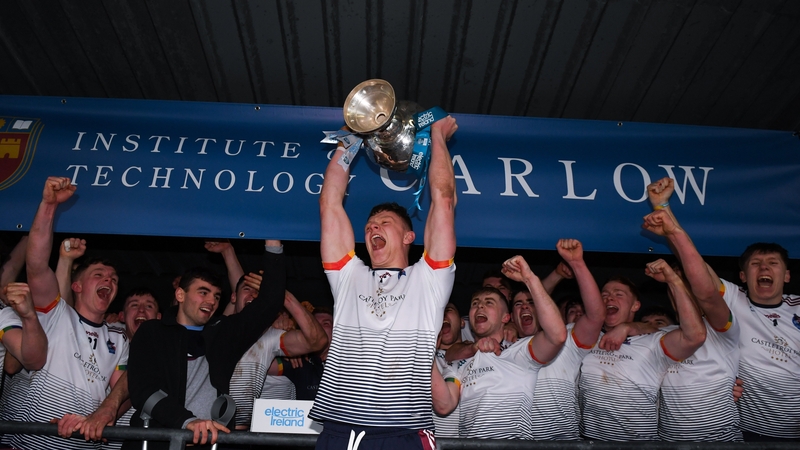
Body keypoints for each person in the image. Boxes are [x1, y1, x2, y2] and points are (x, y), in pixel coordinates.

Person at [310, 116, 458, 449]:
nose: (372, 227)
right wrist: (349, 142)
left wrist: (437, 138)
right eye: (369, 225)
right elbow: (329, 204)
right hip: (338, 432)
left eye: (384, 222)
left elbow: (444, 201)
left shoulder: (429, 278)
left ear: (408, 236)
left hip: (402, 433)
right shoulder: (348, 276)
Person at [642, 177, 784, 440]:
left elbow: (704, 293)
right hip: (750, 425)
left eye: (772, 263)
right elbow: (697, 272)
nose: (764, 268)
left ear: (787, 275)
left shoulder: (724, 329)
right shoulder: (734, 298)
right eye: (756, 264)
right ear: (742, 275)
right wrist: (663, 208)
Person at [3, 177, 129, 450]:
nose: (109, 280)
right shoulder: (56, 313)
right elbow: (36, 265)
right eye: (99, 275)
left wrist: (102, 417)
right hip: (35, 443)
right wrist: (49, 206)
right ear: (77, 285)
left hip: (84, 445)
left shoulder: (119, 339)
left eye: (114, 279)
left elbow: (124, 389)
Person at [123, 242, 287, 449]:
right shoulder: (153, 332)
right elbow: (143, 390)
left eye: (216, 296)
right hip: (159, 442)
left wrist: (273, 246)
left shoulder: (222, 333)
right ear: (180, 295)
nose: (211, 301)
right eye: (203, 292)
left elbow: (269, 304)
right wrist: (187, 421)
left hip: (210, 444)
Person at [579, 263, 706, 441]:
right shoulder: (583, 337)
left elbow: (695, 336)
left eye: (618, 294)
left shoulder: (652, 342)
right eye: (604, 295)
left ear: (635, 306)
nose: (609, 299)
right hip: (589, 441)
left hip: (637, 443)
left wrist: (673, 280)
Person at [453, 255, 566, 439]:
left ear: (506, 317)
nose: (480, 306)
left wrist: (530, 278)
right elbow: (449, 356)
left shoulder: (518, 352)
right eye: (475, 303)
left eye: (489, 302)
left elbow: (557, 336)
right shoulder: (463, 358)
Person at [529, 239, 605, 440]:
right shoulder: (504, 343)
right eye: (518, 305)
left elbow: (595, 316)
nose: (525, 308)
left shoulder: (569, 340)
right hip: (518, 442)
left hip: (563, 441)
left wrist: (577, 263)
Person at [229, 286, 327, 429]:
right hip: (240, 428)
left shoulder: (278, 341)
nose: (253, 295)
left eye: (326, 323)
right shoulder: (221, 329)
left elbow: (316, 340)